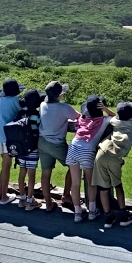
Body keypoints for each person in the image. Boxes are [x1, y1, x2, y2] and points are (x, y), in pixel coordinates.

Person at [92, 102, 132, 229]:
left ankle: (108, 217)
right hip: (114, 157)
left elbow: (114, 116)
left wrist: (105, 109)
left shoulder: (115, 121)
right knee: (118, 186)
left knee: (103, 188)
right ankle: (124, 215)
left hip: (101, 153)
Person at [66, 95, 114, 222]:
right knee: (91, 182)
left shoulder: (82, 118)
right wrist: (106, 109)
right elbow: (116, 117)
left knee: (75, 183)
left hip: (73, 147)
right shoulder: (104, 120)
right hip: (87, 150)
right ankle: (92, 211)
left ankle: (77, 213)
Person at [38, 81, 79, 212]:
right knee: (75, 166)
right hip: (56, 144)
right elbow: (79, 117)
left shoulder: (42, 104)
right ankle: (66, 196)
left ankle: (49, 203)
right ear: (59, 95)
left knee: (46, 172)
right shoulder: (64, 108)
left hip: (42, 142)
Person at [0, 79, 23, 205]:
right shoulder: (14, 100)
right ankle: (3, 196)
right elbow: (21, 110)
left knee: (3, 166)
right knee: (6, 166)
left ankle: (0, 194)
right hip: (8, 137)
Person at [15, 89, 45, 211]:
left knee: (22, 173)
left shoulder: (20, 113)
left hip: (21, 148)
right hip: (33, 148)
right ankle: (30, 200)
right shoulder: (37, 115)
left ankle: (21, 198)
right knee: (31, 175)